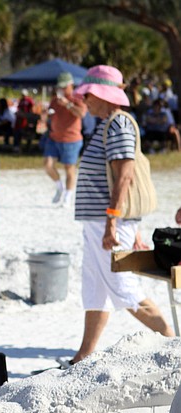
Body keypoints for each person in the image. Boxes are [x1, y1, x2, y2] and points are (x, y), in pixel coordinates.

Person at [69, 64, 174, 365]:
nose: (84, 100)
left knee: (125, 289)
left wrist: (114, 220)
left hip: (108, 222)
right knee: (95, 288)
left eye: (88, 94)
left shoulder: (117, 124)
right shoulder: (107, 123)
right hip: (101, 221)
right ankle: (84, 355)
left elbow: (125, 175)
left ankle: (172, 340)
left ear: (104, 95)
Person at [45, 72, 87, 207]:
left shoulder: (78, 98)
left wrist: (67, 104)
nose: (62, 89)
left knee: (69, 169)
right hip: (54, 137)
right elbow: (50, 113)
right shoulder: (55, 99)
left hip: (71, 139)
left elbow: (81, 114)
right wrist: (45, 115)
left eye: (64, 87)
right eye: (60, 87)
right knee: (48, 165)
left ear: (71, 85)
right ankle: (59, 187)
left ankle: (68, 196)